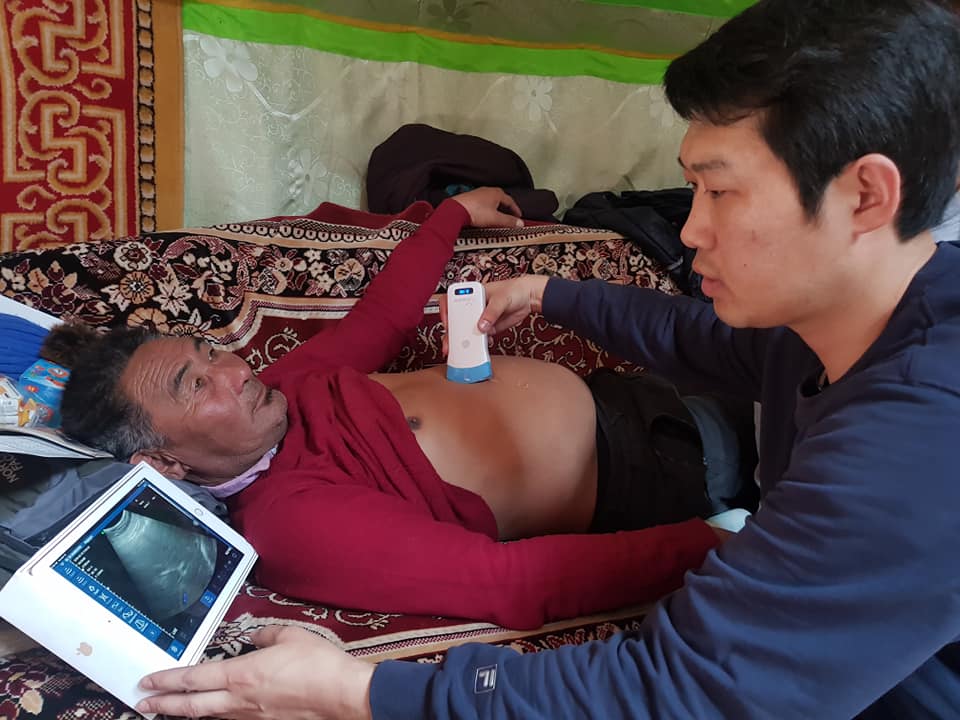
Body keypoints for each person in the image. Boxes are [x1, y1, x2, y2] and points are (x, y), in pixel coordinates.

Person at [134, 0, 960, 718]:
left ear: (866, 196)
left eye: (720, 190)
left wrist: (357, 692)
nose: (690, 229)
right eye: (692, 190)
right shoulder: (856, 318)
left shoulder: (912, 443)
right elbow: (709, 345)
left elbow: (679, 694)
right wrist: (553, 293)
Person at [46, 185, 752, 631]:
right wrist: (711, 549)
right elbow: (504, 582)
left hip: (646, 397)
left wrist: (450, 215)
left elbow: (380, 319)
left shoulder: (282, 391)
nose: (234, 371)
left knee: (795, 378)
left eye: (210, 354)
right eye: (195, 387)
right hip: (666, 475)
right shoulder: (290, 522)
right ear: (163, 462)